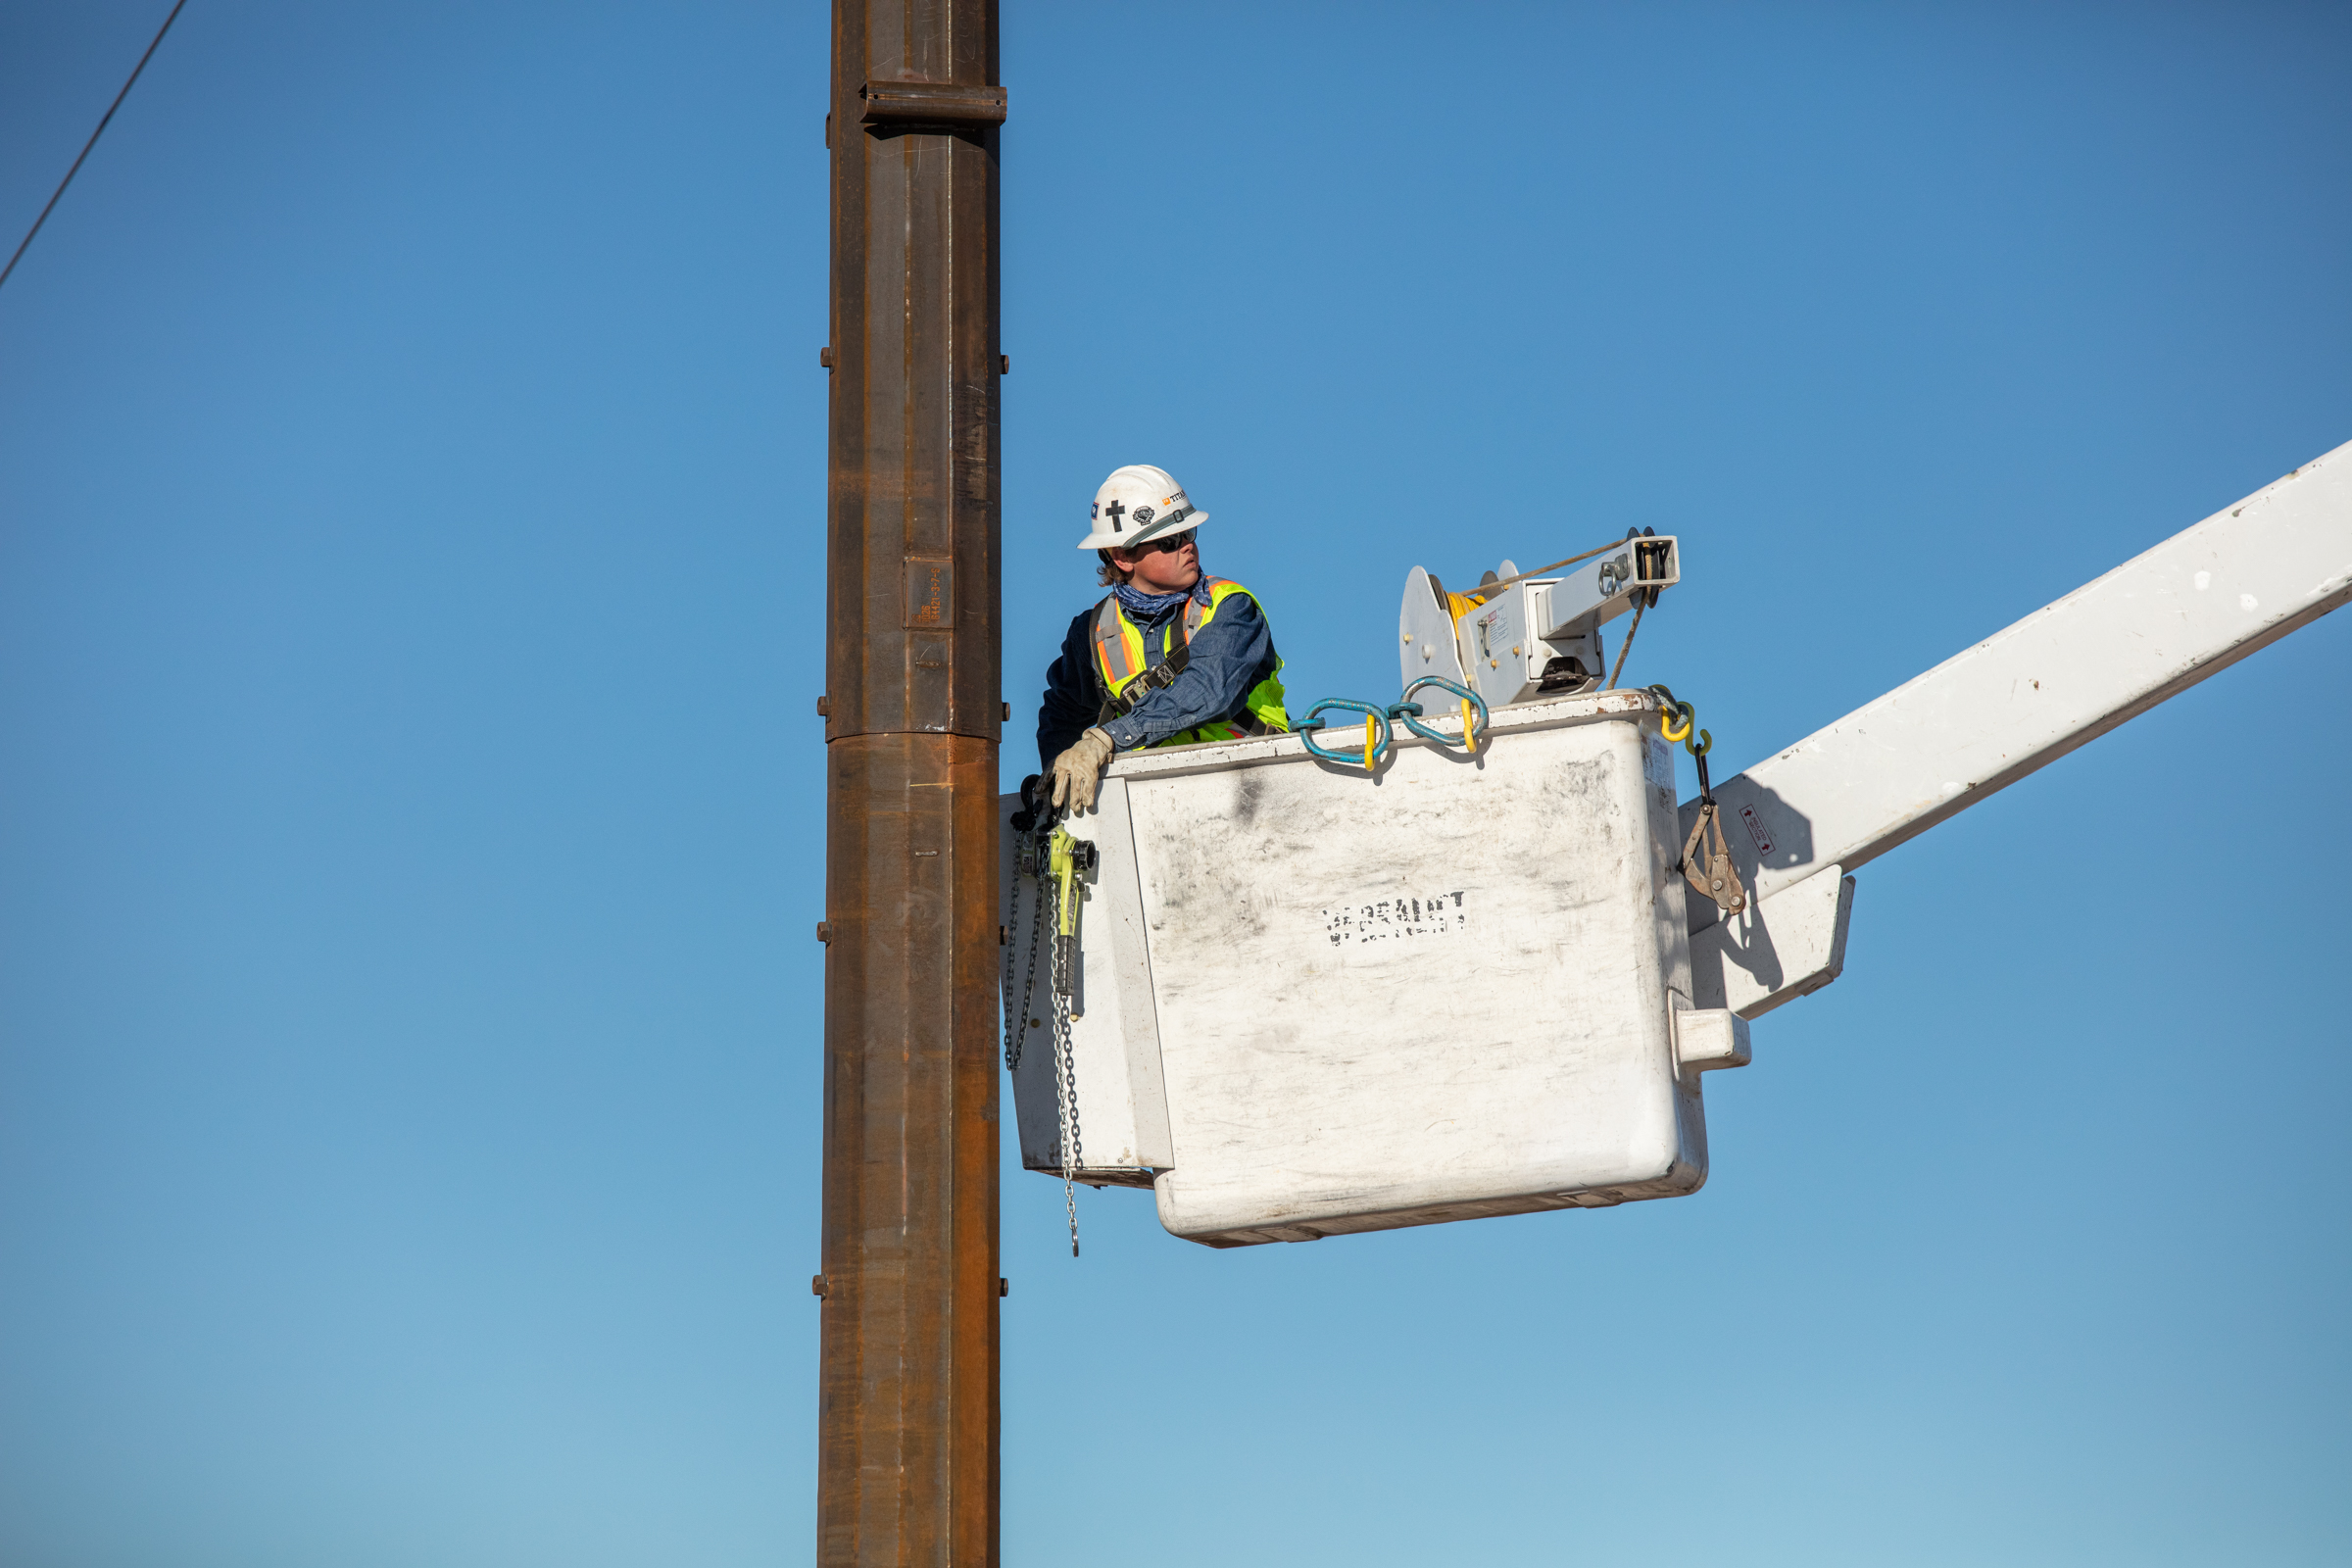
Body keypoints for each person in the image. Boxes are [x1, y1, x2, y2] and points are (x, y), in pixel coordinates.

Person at [1035, 465, 1290, 812]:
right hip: (1155, 805)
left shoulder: (1229, 607)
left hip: (1256, 787)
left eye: (1189, 533)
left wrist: (1108, 737)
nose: (1188, 548)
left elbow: (1206, 690)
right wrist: (1058, 780)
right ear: (1122, 556)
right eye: (1170, 541)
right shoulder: (1091, 632)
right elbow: (1063, 715)